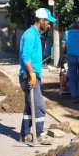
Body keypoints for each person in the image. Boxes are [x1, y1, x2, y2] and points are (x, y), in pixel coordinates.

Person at [18, 8, 57, 144]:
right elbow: (26, 57)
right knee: (39, 105)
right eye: (47, 22)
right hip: (29, 76)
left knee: (30, 107)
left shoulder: (34, 34)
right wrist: (32, 74)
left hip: (30, 75)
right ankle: (39, 135)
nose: (49, 25)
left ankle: (25, 134)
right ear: (41, 21)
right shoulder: (30, 35)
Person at [62, 21, 79, 103]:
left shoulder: (67, 33)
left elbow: (63, 45)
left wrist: (64, 53)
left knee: (72, 77)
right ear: (78, 27)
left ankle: (73, 95)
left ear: (71, 27)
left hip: (71, 56)